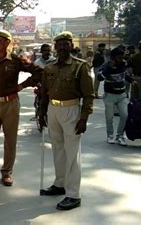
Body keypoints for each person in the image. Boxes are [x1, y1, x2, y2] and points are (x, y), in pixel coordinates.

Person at [0, 30, 42, 193]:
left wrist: (22, 86)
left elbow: (39, 72)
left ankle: (7, 172)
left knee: (10, 141)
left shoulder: (17, 60)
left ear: (7, 43)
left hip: (11, 104)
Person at [38, 31, 94, 211]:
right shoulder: (50, 67)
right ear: (55, 47)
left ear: (71, 45)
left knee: (72, 153)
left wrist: (84, 118)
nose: (62, 47)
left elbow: (88, 95)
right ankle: (60, 183)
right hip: (53, 110)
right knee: (57, 149)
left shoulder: (80, 67)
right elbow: (44, 92)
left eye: (65, 44)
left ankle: (73, 194)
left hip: (71, 110)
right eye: (59, 44)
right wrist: (41, 113)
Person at [97, 46, 134, 146]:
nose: (121, 58)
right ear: (113, 57)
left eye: (122, 56)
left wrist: (132, 81)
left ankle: (120, 136)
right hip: (109, 95)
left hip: (122, 95)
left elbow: (125, 75)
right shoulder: (106, 65)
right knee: (109, 117)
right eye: (119, 57)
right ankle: (110, 135)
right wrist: (109, 68)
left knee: (124, 115)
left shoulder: (123, 64)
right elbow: (99, 77)